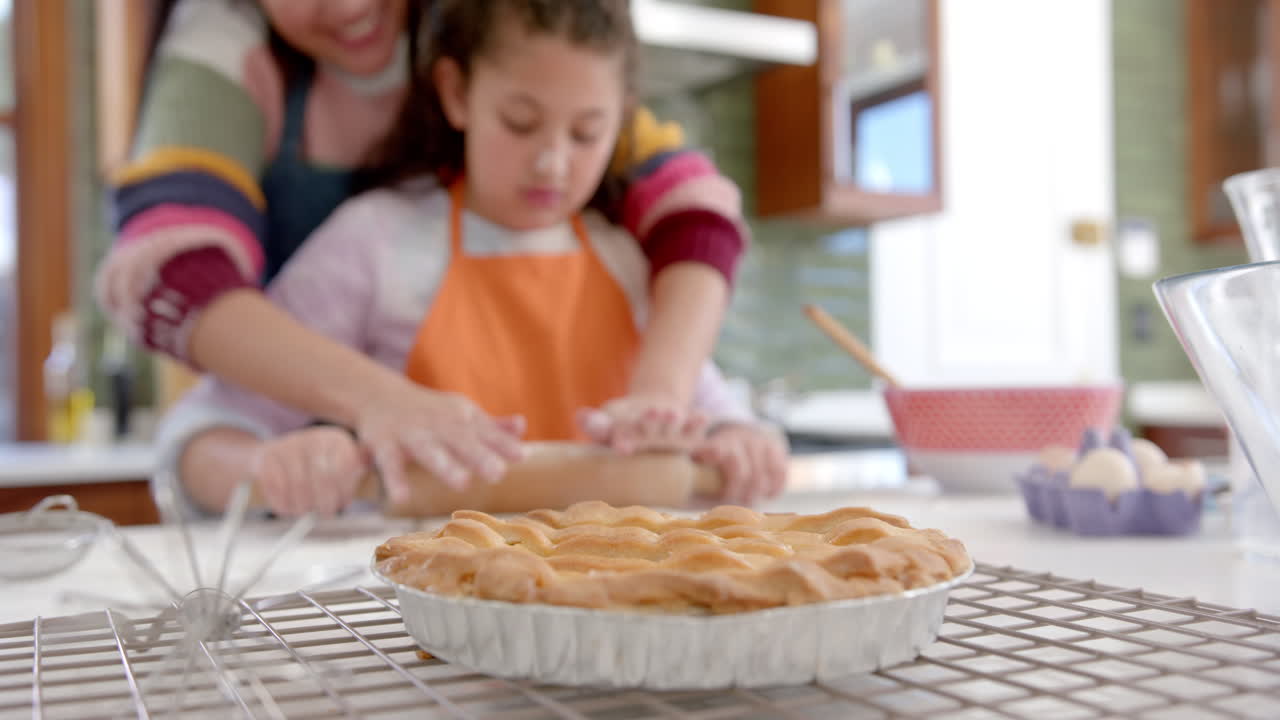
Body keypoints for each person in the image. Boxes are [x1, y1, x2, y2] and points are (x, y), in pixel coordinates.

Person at [156, 0, 788, 518]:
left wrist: (742, 445)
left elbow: (721, 423)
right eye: (520, 122)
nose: (552, 163)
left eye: (587, 133)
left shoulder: (628, 261)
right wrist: (268, 470)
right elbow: (196, 438)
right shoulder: (375, 241)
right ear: (457, 94)